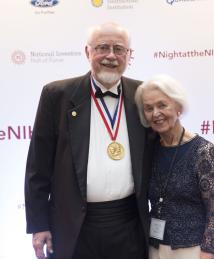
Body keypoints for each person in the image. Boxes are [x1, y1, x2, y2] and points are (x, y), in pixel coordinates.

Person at [25, 22, 152, 259]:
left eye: (119, 49)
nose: (111, 56)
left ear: (129, 54)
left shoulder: (143, 94)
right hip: (72, 225)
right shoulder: (57, 95)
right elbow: (37, 167)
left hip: (130, 224)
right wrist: (38, 224)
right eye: (102, 47)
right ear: (88, 52)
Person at [135, 74, 214, 259]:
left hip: (192, 251)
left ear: (178, 107)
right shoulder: (148, 151)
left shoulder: (204, 152)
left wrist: (209, 251)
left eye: (162, 105)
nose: (155, 113)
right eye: (148, 108)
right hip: (154, 248)